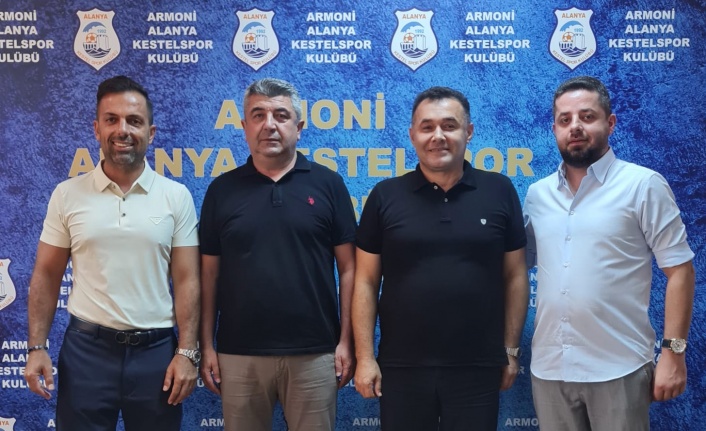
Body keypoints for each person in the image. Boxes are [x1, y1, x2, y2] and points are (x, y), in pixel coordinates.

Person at [23, 76, 201, 431]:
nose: (123, 130)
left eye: (134, 121)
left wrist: (187, 352)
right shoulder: (67, 194)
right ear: (97, 129)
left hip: (156, 355)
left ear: (151, 132)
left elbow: (187, 279)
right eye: (112, 119)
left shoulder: (176, 196)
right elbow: (46, 274)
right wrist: (36, 347)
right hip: (86, 352)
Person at [523, 76, 696, 430]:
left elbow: (680, 270)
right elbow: (515, 269)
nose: (575, 127)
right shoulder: (537, 195)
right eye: (565, 119)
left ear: (610, 122)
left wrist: (673, 352)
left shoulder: (643, 185)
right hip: (549, 369)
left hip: (619, 368)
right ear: (554, 129)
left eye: (587, 117)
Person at [352, 86, 529, 430]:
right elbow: (365, 281)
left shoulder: (499, 190)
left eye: (449, 126)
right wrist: (365, 357)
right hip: (401, 367)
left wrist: (510, 350)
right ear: (412, 135)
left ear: (469, 132)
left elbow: (515, 275)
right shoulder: (385, 196)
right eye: (427, 127)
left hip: (478, 367)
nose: (438, 136)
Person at [198, 77, 357, 431]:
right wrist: (206, 345)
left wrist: (347, 341)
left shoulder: (329, 184)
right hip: (238, 354)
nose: (269, 124)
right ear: (244, 127)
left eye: (281, 115)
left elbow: (349, 269)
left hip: (316, 352)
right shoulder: (221, 190)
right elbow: (208, 275)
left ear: (298, 127)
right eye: (258, 115)